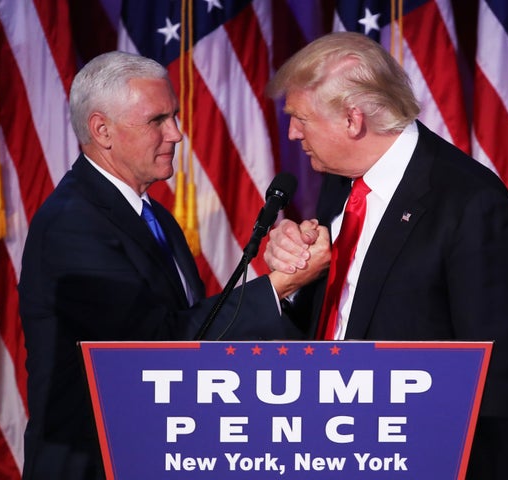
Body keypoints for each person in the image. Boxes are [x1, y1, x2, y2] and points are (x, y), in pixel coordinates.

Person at [17, 51, 329, 480]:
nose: (178, 134)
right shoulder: (71, 226)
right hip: (96, 465)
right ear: (101, 130)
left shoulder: (153, 217)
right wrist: (276, 285)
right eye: (157, 120)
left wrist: (290, 290)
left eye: (175, 116)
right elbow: (152, 349)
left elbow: (191, 333)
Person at [263, 32, 508, 479]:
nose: (293, 132)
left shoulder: (468, 201)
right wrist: (296, 277)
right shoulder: (341, 184)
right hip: (338, 450)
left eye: (300, 118)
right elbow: (340, 317)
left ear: (353, 121)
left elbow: (496, 376)